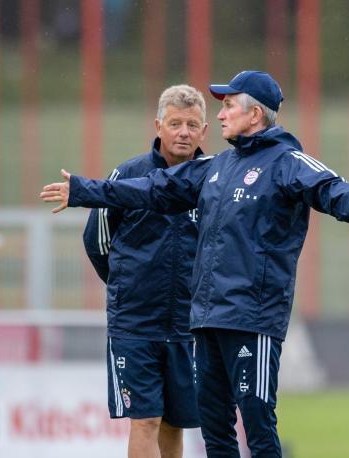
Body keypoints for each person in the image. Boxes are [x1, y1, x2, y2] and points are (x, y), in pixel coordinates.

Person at [40, 70, 349, 457]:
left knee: (258, 426)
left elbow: (329, 187)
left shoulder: (287, 161)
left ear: (254, 115)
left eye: (229, 105)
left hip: (253, 317)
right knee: (216, 430)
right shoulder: (216, 167)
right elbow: (153, 187)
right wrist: (84, 190)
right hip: (205, 321)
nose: (220, 115)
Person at [83, 85, 208, 458]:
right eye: (175, 123)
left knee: (175, 422)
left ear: (204, 132)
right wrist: (126, 283)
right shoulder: (128, 175)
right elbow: (97, 240)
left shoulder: (214, 181)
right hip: (135, 323)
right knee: (146, 420)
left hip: (191, 323)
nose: (183, 131)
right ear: (158, 126)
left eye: (191, 124)